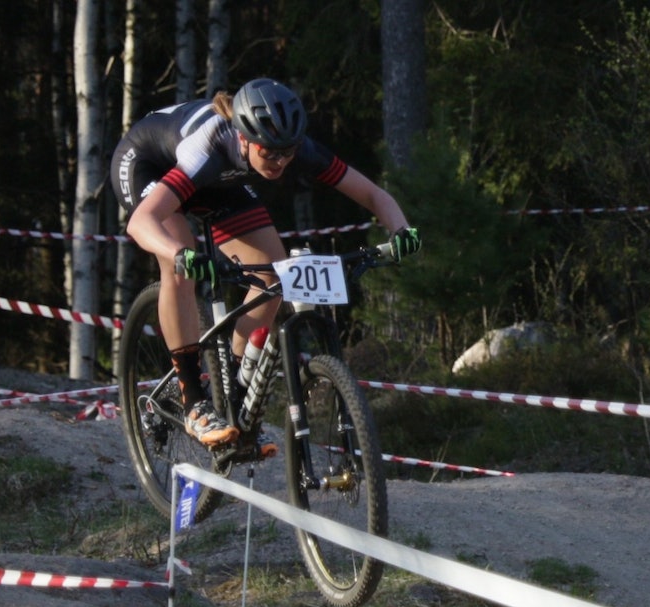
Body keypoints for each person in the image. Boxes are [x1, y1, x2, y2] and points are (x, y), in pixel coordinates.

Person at [109, 78, 420, 448]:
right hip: (149, 165)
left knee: (272, 276)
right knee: (179, 261)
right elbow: (142, 222)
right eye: (270, 153)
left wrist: (401, 229)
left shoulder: (290, 146)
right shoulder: (206, 147)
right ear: (243, 138)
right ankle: (193, 401)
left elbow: (371, 192)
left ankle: (235, 394)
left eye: (287, 153)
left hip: (217, 181)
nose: (280, 161)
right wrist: (179, 255)